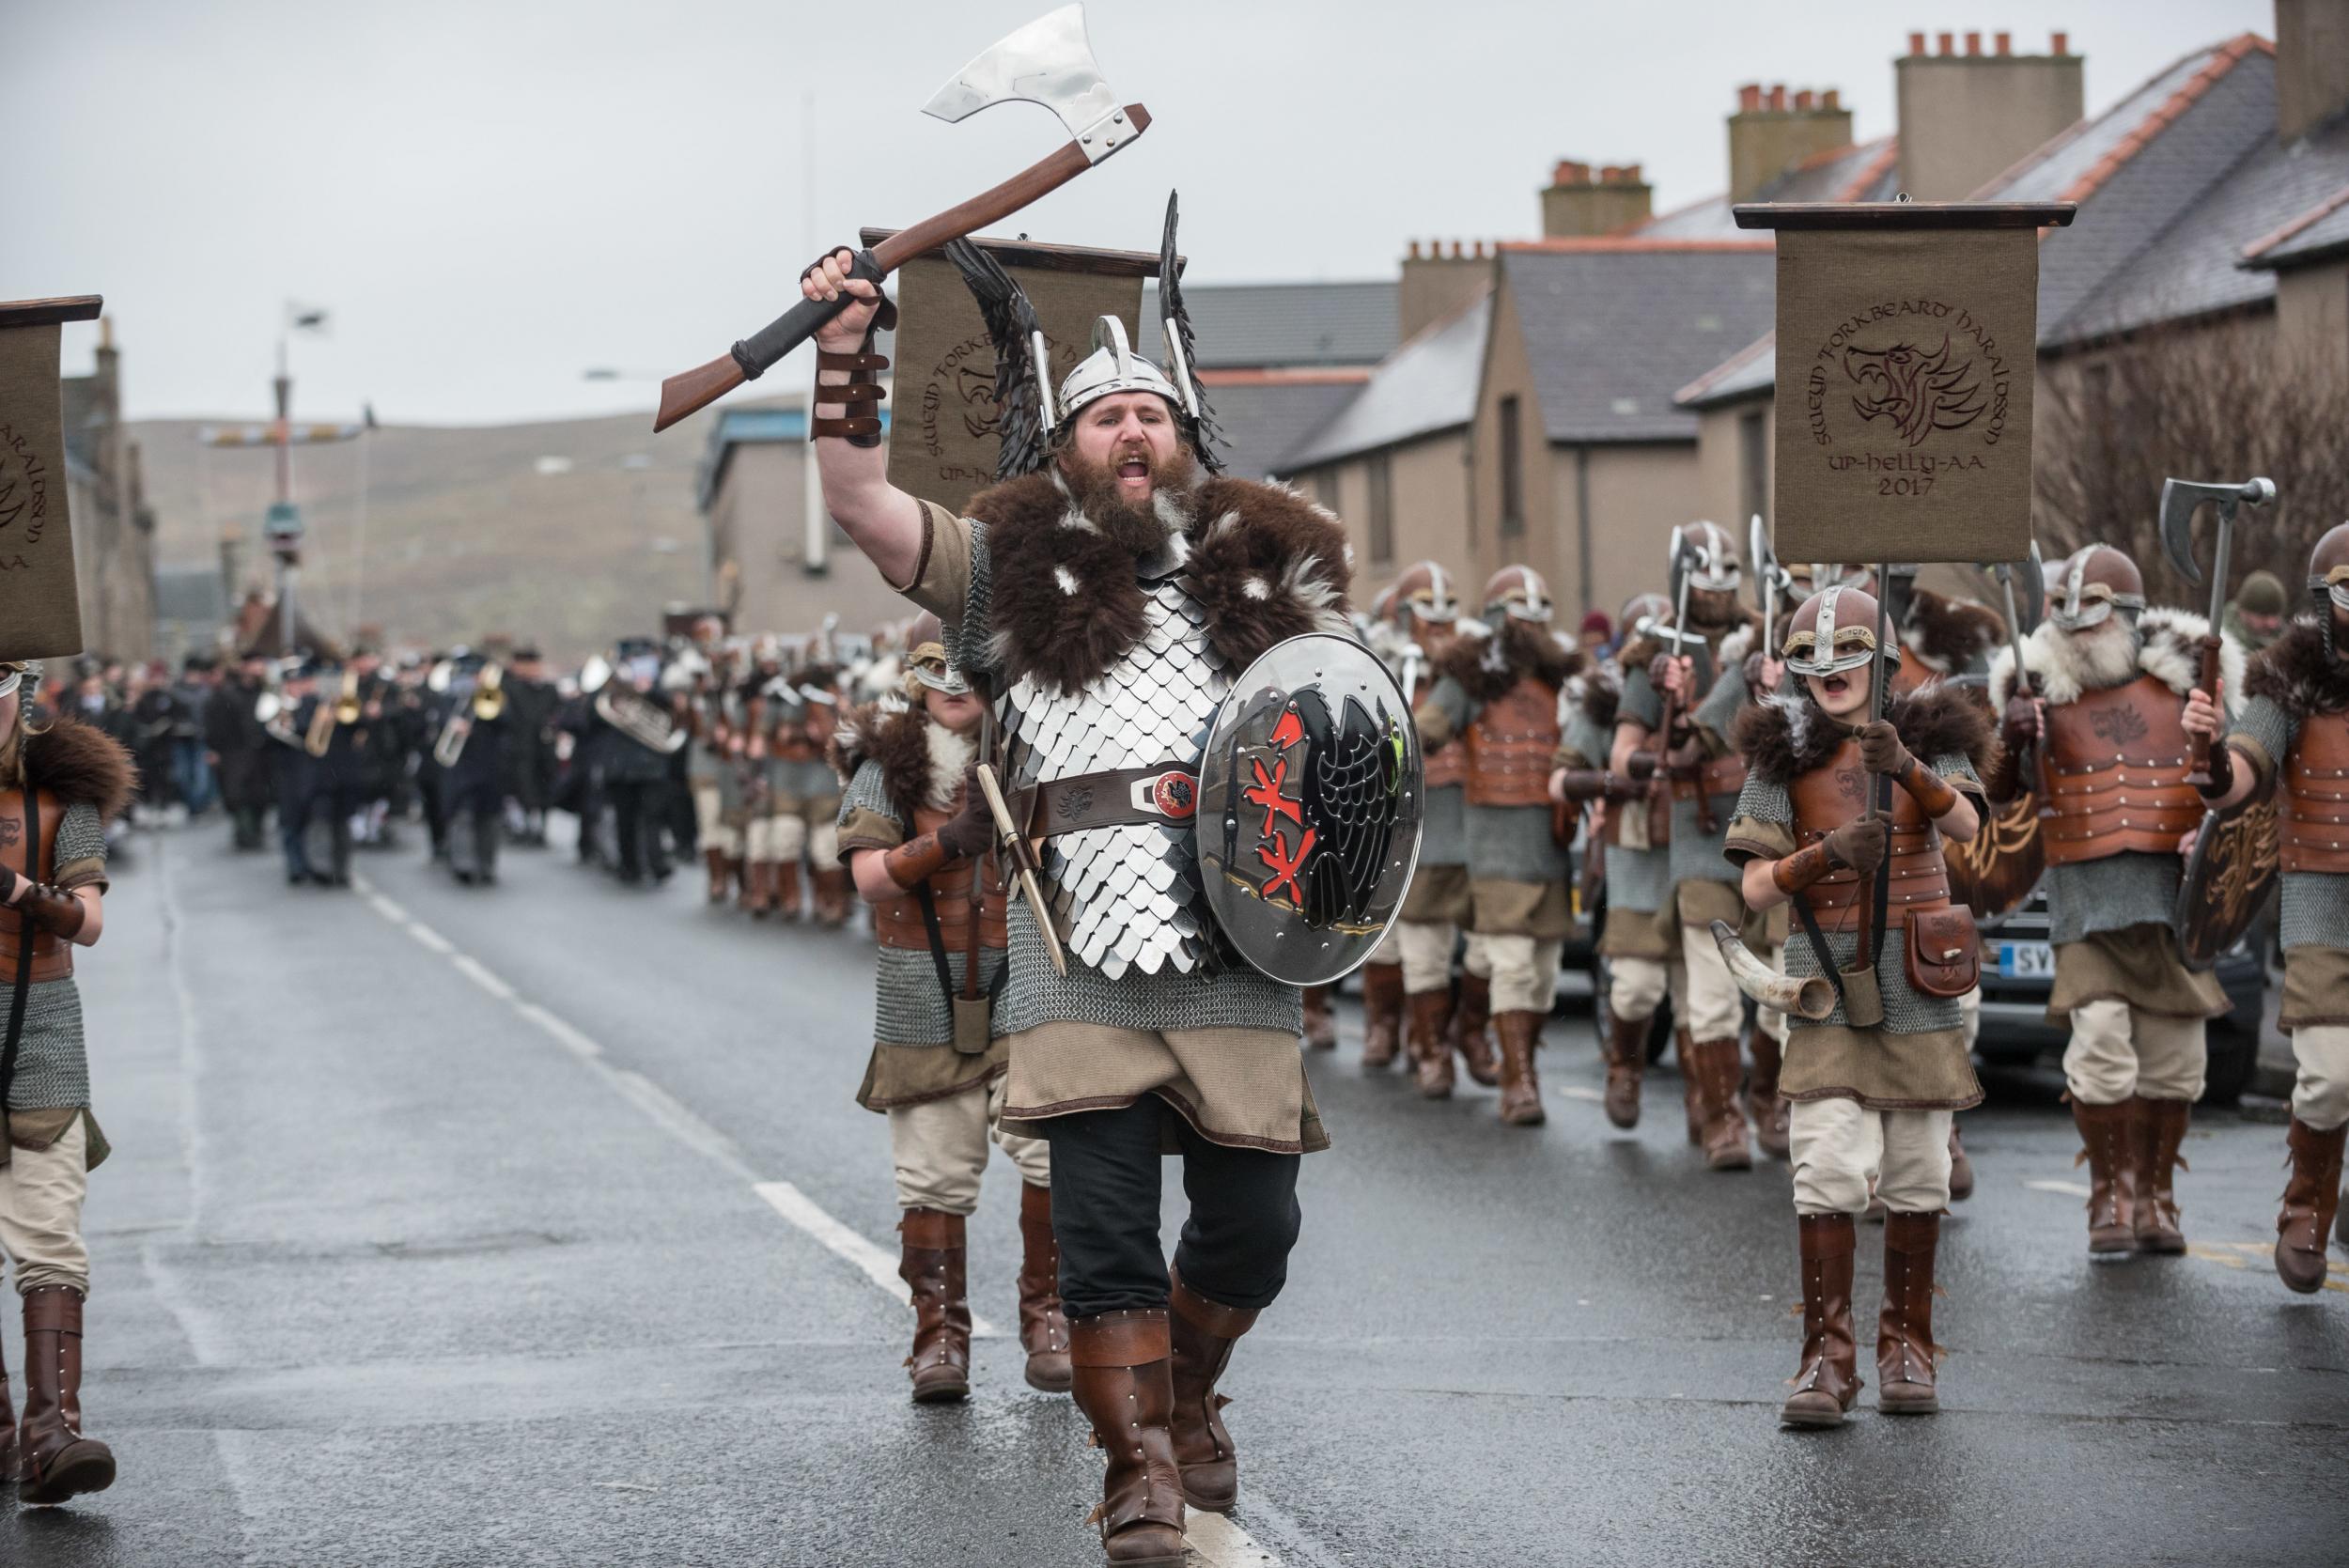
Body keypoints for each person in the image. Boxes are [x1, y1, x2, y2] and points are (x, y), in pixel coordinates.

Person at [801, 219, 1353, 1563]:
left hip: (1237, 942)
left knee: (1254, 1229)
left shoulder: (1275, 583)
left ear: (1186, 443)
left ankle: (1194, 1387)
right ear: (1066, 447)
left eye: (1148, 415)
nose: (1128, 431)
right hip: (1073, 946)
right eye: (1103, 415)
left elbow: (1352, 748)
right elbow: (865, 507)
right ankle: (1140, 1471)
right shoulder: (1006, 577)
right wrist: (841, 352)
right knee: (1100, 1231)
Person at [1726, 587, 1992, 1426]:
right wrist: (1828, 852)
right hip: (1826, 984)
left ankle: (1907, 1346)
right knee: (1829, 1164)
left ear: (1880, 662)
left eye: (1849, 657)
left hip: (1919, 978)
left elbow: (1970, 828)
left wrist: (1905, 768)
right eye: (1813, 661)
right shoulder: (1781, 753)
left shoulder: (1930, 732)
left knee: (1917, 1172)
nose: (1831, 673)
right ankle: (1827, 1358)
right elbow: (1753, 882)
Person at [832, 615, 1067, 1402]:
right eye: (940, 673)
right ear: (915, 680)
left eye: (971, 672)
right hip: (924, 995)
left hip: (1026, 991)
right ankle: (939, 1338)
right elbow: (867, 877)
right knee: (931, 1174)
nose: (957, 689)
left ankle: (1049, 1317)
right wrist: (949, 840)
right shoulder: (887, 766)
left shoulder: (1036, 744)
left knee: (1050, 1155)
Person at [1987, 544, 2239, 1256]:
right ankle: (2109, 1193)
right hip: (2085, 899)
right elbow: (2005, 792)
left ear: (2128, 616)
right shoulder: (2032, 691)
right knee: (2098, 1051)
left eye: (2090, 612)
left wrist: (2213, 780)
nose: (2073, 625)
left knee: (2176, 1064)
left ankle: (2156, 1193)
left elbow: (2233, 792)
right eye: (2063, 612)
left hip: (2171, 900)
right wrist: (2013, 738)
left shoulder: (2193, 683)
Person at [2183, 522, 2349, 1292]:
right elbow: (2243, 773)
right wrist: (2213, 754)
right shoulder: (2290, 680)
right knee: (2328, 1078)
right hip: (2320, 897)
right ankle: (2305, 1207)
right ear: (2325, 599)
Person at [0, 660, 136, 1503]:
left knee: (49, 1235)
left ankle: (52, 1434)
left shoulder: (60, 797)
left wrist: (17, 889)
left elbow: (89, 921)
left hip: (38, 1030)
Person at [1618, 522, 1766, 1170]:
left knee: (1786, 987)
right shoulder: (1655, 652)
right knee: (1709, 990)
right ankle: (1723, 1118)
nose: (1719, 582)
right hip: (1700, 839)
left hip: (1775, 835)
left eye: (1729, 568)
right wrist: (1662, 722)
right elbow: (1628, 755)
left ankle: (1770, 1099)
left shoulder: (1770, 638)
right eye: (1706, 570)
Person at [1413, 567, 1584, 1122]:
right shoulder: (1470, 676)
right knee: (1510, 963)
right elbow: (1430, 726)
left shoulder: (1563, 680)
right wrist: (1408, 736)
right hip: (1492, 847)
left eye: (1539, 612)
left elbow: (1591, 740)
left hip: (1551, 848)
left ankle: (1517, 1058)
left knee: (1543, 970)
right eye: (1519, 611)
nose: (1531, 623)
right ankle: (1519, 1083)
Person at [1555, 592, 1681, 1131]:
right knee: (1634, 985)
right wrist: (1615, 781)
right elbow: (1561, 778)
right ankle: (1625, 1068)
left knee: (1704, 998)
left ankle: (1713, 1110)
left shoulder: (1700, 684)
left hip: (1698, 852)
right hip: (1632, 854)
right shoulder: (1605, 697)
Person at [1375, 564, 1488, 1088]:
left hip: (1475, 815)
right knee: (1416, 943)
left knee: (1490, 945)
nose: (1439, 621)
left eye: (1447, 609)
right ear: (1404, 613)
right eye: (1427, 608)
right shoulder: (1383, 663)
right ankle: (1426, 1048)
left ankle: (1470, 1032)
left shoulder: (1477, 665)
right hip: (1406, 817)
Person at [206, 654, 275, 852]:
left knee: (261, 795)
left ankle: (255, 830)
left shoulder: (266, 692)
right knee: (237, 795)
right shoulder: (227, 694)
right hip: (235, 752)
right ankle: (244, 832)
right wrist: (214, 749)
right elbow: (216, 723)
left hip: (262, 752)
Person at [2223, 568, 2290, 655]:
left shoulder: (2287, 645)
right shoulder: (2222, 646)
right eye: (2263, 615)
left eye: (2276, 615)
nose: (2272, 624)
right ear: (2243, 612)